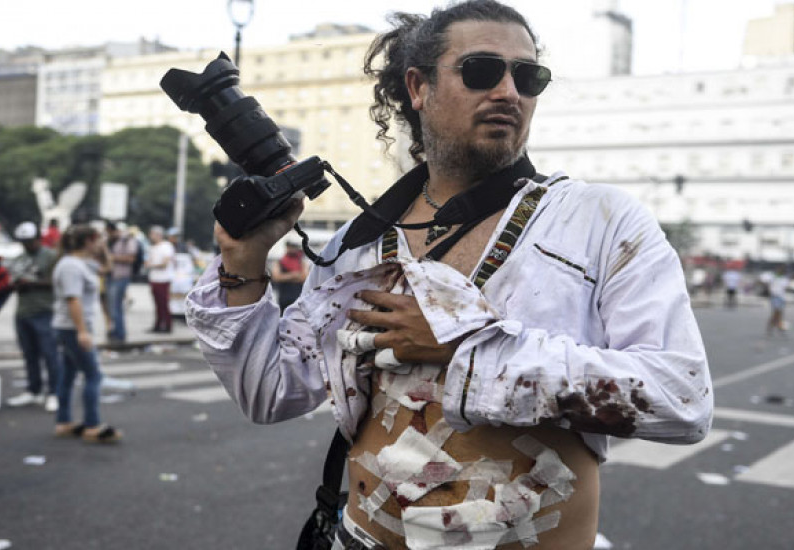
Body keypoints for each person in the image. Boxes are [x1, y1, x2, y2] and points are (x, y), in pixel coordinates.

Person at [184, 2, 713, 549]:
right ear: (418, 87)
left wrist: (466, 349)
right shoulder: (357, 244)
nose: (510, 91)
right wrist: (240, 261)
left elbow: (682, 398)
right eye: (482, 70)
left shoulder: (601, 221)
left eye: (529, 77)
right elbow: (270, 391)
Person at [51, 224, 121, 443]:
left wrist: (102, 251)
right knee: (93, 375)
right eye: (99, 239)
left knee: (68, 373)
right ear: (89, 240)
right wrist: (82, 331)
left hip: (69, 327)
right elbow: (74, 300)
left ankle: (64, 422)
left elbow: (107, 269)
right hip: (72, 328)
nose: (103, 243)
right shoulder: (71, 266)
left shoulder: (81, 264)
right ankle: (92, 425)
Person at [5, 222, 61, 411]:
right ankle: (33, 390)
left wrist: (33, 284)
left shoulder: (50, 256)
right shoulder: (20, 258)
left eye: (29, 241)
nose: (26, 245)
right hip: (23, 311)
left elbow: (58, 282)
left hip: (44, 310)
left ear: (38, 239)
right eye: (23, 242)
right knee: (29, 354)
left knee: (50, 354)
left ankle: (55, 392)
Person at [106, 222, 138, 343]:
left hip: (121, 276)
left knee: (116, 307)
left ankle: (120, 333)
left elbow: (131, 258)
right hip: (110, 276)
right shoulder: (110, 241)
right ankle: (115, 331)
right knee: (111, 307)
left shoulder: (128, 240)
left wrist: (112, 257)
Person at [145, 225, 175, 333]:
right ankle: (158, 324)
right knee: (157, 304)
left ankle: (167, 325)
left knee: (163, 303)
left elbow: (164, 264)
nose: (150, 236)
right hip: (154, 279)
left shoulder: (166, 246)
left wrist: (151, 265)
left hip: (163, 279)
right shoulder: (153, 247)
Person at [270, 240, 309, 312]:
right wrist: (294, 275)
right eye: (289, 247)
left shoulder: (302, 261)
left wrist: (285, 277)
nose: (291, 249)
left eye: (293, 247)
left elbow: (304, 277)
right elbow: (276, 277)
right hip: (284, 298)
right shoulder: (280, 261)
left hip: (298, 297)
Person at [766, 266, 790, 337]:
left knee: (780, 314)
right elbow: (768, 283)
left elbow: (785, 288)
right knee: (775, 313)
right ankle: (771, 327)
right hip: (775, 296)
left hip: (781, 297)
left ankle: (777, 327)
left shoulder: (784, 279)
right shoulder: (773, 277)